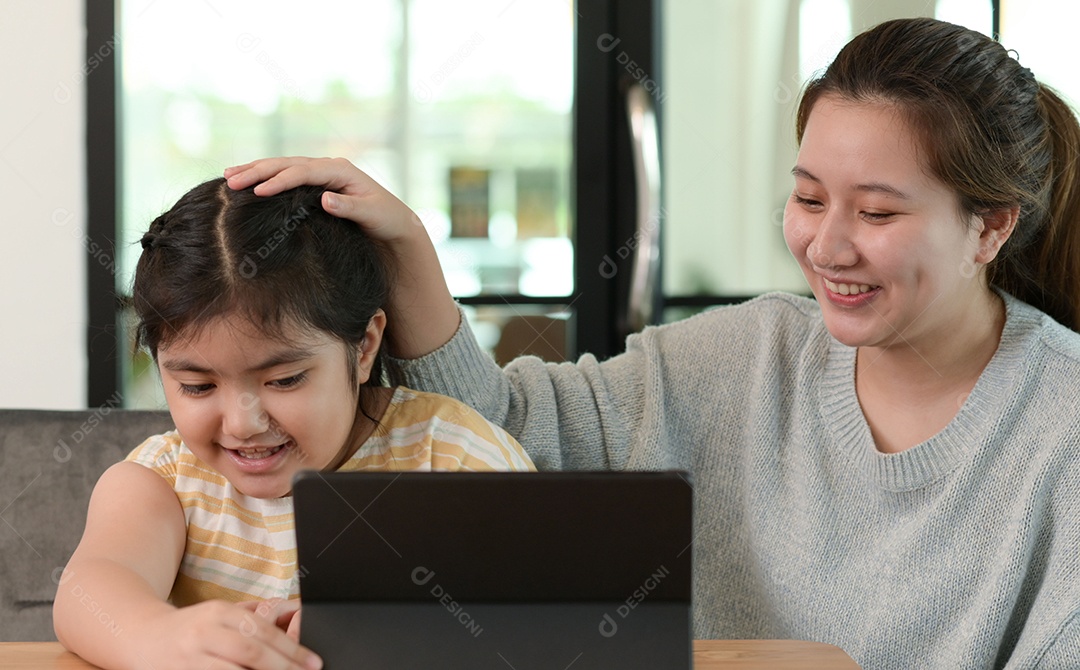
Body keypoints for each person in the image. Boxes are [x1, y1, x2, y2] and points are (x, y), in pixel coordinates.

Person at [227, 17, 1080, 668]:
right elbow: (504, 430)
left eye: (880, 212)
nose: (827, 247)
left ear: (989, 229)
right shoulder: (744, 357)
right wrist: (409, 246)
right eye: (811, 199)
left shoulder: (1061, 427)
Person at [52, 179, 535, 670]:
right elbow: (90, 590)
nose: (243, 424)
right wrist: (156, 638)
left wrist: (389, 629)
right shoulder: (166, 481)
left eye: (283, 380)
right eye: (198, 387)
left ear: (363, 348)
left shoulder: (454, 459)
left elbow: (540, 620)